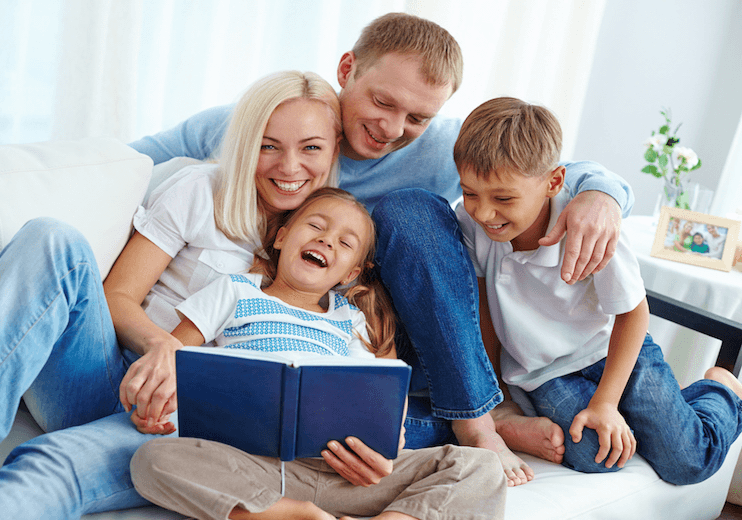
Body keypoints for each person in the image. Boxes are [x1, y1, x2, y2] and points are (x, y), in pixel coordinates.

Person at [129, 12, 634, 487]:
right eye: (383, 103)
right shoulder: (272, 123)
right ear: (347, 70)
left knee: (410, 211)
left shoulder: (439, 147)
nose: (392, 129)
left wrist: (601, 194)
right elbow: (131, 161)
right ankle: (465, 423)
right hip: (291, 325)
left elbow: (539, 167)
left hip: (395, 321)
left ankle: (479, 420)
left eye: (417, 116)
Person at [0, 70, 343, 520]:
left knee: (52, 465)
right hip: (107, 377)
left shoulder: (338, 240)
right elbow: (118, 294)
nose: (288, 167)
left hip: (182, 427)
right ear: (246, 144)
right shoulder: (202, 190)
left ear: (333, 149)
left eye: (310, 148)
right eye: (268, 145)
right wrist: (159, 344)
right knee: (51, 237)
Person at [130, 188, 506, 520]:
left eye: (345, 243)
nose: (327, 241)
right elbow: (174, 358)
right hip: (252, 466)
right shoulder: (235, 291)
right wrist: (158, 407)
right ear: (281, 237)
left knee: (481, 467)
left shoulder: (351, 321)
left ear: (351, 273)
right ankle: (294, 516)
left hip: (343, 473)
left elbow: (382, 407)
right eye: (316, 227)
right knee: (152, 461)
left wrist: (385, 450)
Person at [452, 96, 742, 483]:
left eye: (503, 198)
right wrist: (499, 388)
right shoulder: (470, 224)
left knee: (688, 461)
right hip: (546, 373)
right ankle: (666, 413)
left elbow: (633, 313)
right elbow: (485, 311)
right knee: (596, 452)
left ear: (553, 182)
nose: (483, 213)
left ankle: (720, 389)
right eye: (470, 193)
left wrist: (606, 402)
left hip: (612, 351)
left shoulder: (588, 222)